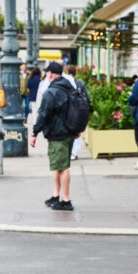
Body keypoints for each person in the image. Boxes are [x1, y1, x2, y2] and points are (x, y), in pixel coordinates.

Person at [30, 61, 76, 211]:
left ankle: (66, 200)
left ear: (50, 74)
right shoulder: (69, 88)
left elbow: (43, 114)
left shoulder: (52, 92)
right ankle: (56, 195)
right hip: (68, 132)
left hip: (58, 134)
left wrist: (35, 132)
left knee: (62, 167)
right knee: (57, 165)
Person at [66, 65, 89, 161]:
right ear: (75, 73)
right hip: (79, 110)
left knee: (68, 131)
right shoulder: (80, 82)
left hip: (68, 110)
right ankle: (74, 153)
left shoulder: (65, 83)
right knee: (77, 132)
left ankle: (69, 151)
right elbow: (87, 97)